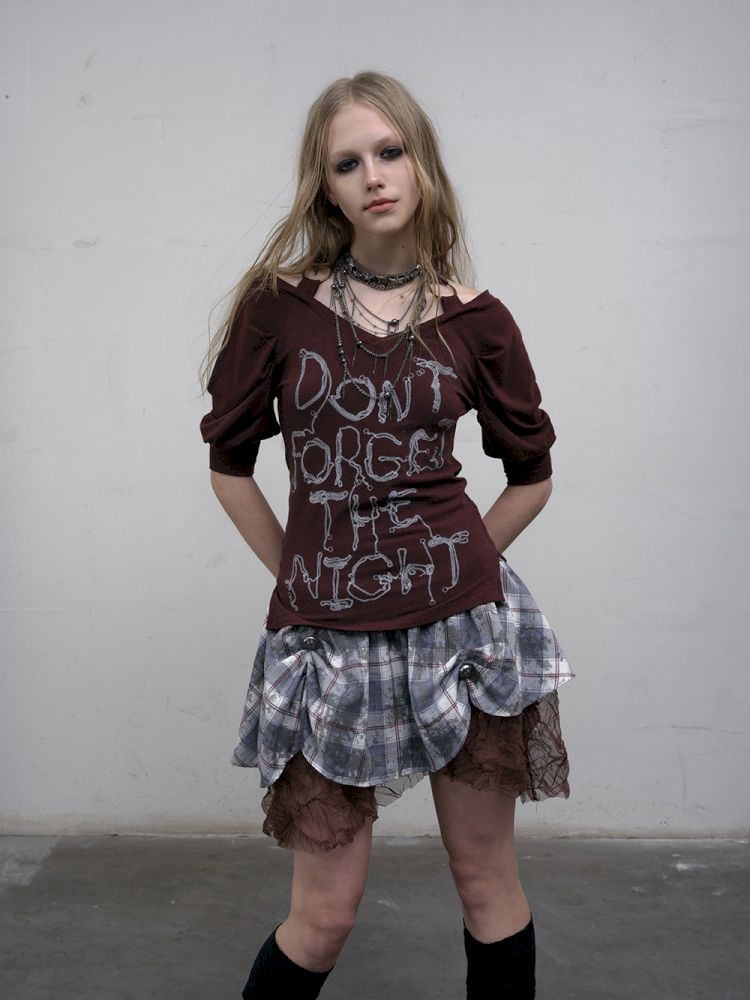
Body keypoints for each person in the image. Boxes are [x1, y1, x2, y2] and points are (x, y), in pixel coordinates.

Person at [199, 70, 575, 1000]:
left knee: (486, 885)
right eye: (348, 163)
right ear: (325, 188)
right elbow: (229, 465)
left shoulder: (477, 321)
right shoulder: (278, 310)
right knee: (323, 916)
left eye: (390, 151)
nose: (373, 175)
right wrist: (302, 577)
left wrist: (463, 562)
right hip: (331, 639)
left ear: (421, 163)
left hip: (464, 634)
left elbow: (532, 475)